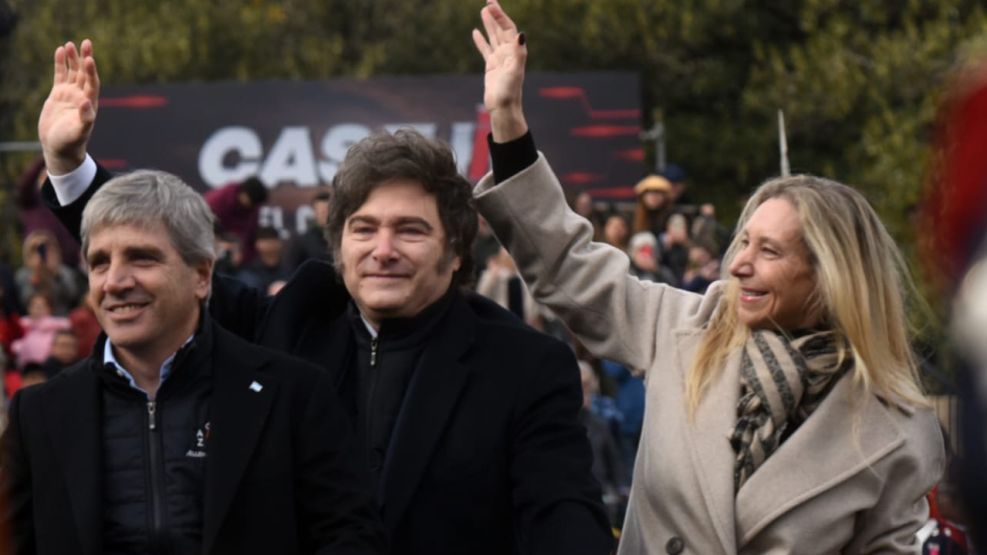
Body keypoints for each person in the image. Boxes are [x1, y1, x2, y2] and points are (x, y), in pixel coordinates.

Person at [37, 39, 612, 555]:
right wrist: (69, 167)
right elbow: (161, 262)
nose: (382, 249)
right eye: (363, 229)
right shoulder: (291, 322)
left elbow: (563, 520)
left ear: (456, 250)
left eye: (409, 230)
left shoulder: (522, 366)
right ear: (337, 244)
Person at [471, 2, 944, 553]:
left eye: (769, 251)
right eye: (743, 241)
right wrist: (507, 120)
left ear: (831, 277)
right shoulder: (686, 328)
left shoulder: (898, 429)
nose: (739, 262)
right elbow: (566, 265)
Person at [3, 65, 386, 552]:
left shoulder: (292, 393)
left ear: (202, 276)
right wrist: (65, 163)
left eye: (142, 259)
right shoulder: (39, 414)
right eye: (99, 263)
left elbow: (349, 536)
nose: (116, 281)